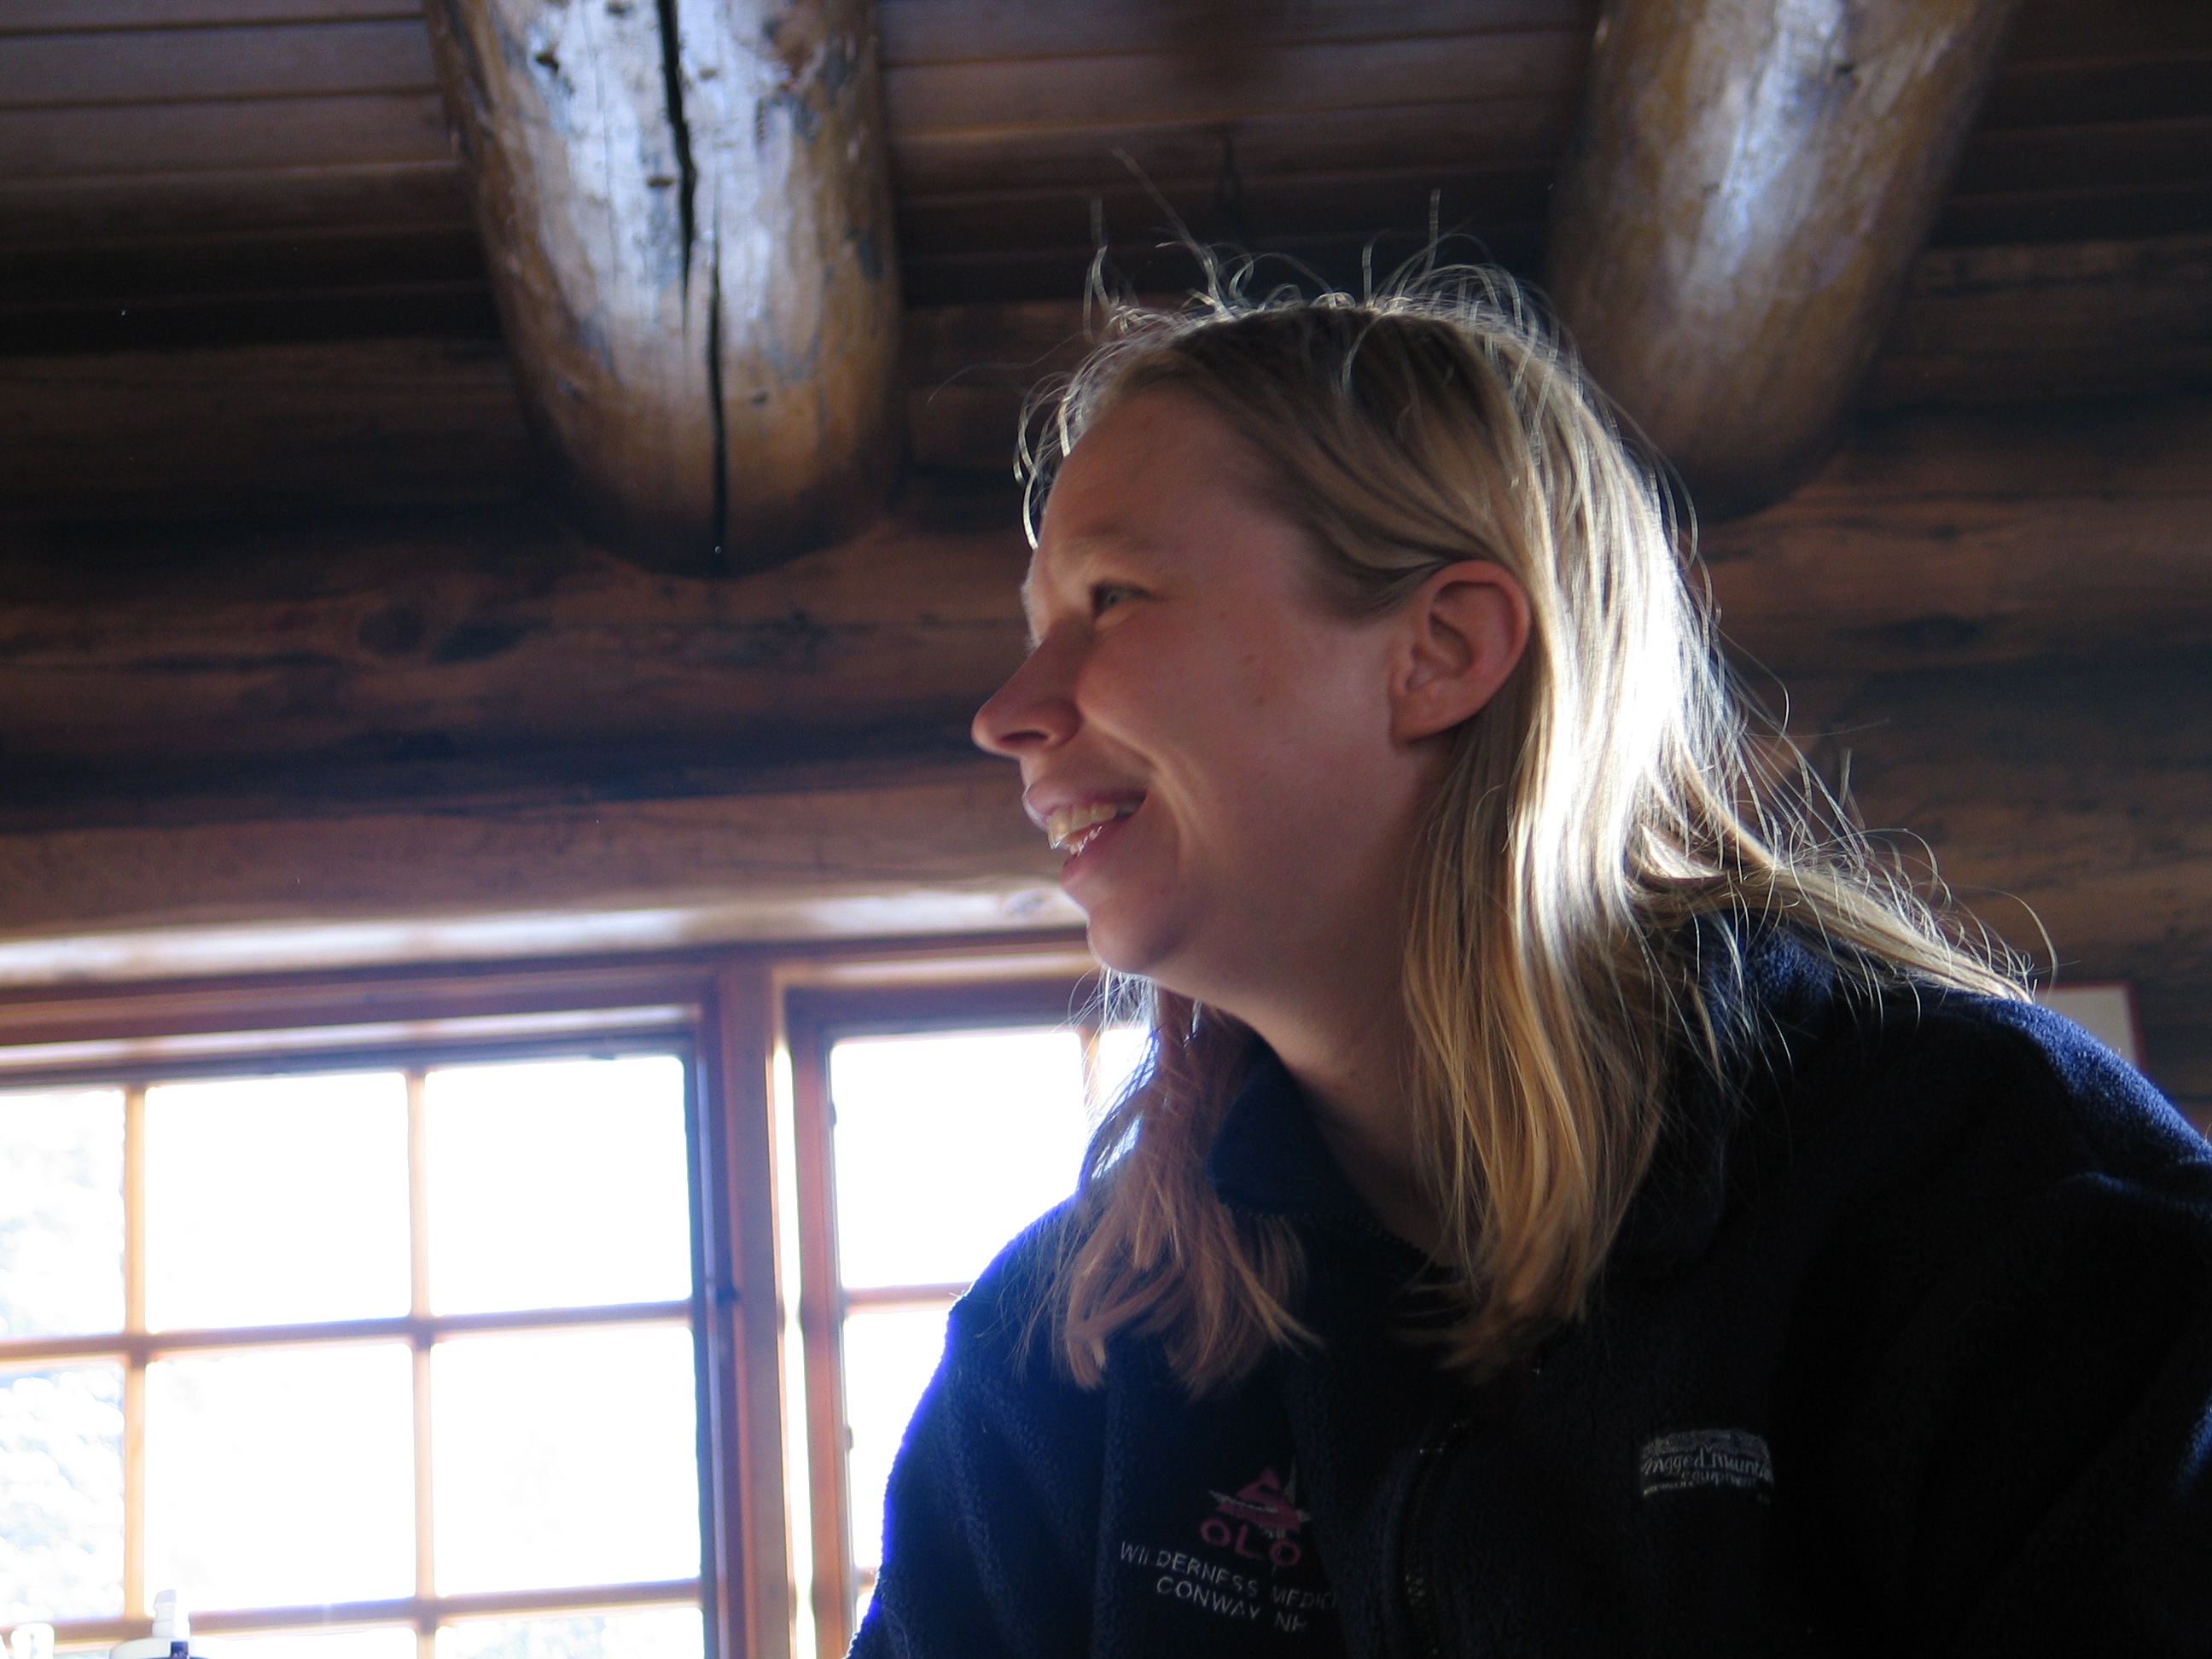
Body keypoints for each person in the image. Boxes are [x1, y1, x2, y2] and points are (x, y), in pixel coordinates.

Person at [849, 271, 2212, 1656]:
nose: (1008, 712)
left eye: (1113, 598)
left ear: (1442, 651)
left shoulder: (1994, 1199)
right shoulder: (1068, 1348)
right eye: (1038, 629)